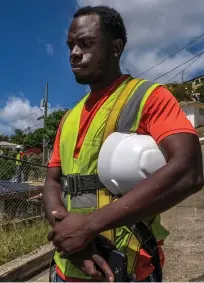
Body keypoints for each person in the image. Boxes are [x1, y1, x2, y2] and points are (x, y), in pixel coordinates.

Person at [43, 5, 203, 282]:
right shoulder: (69, 118)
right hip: (67, 266)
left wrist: (89, 227)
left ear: (116, 47)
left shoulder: (148, 97)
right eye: (70, 45)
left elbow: (190, 170)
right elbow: (53, 181)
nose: (74, 53)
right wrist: (68, 236)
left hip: (126, 268)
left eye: (86, 43)